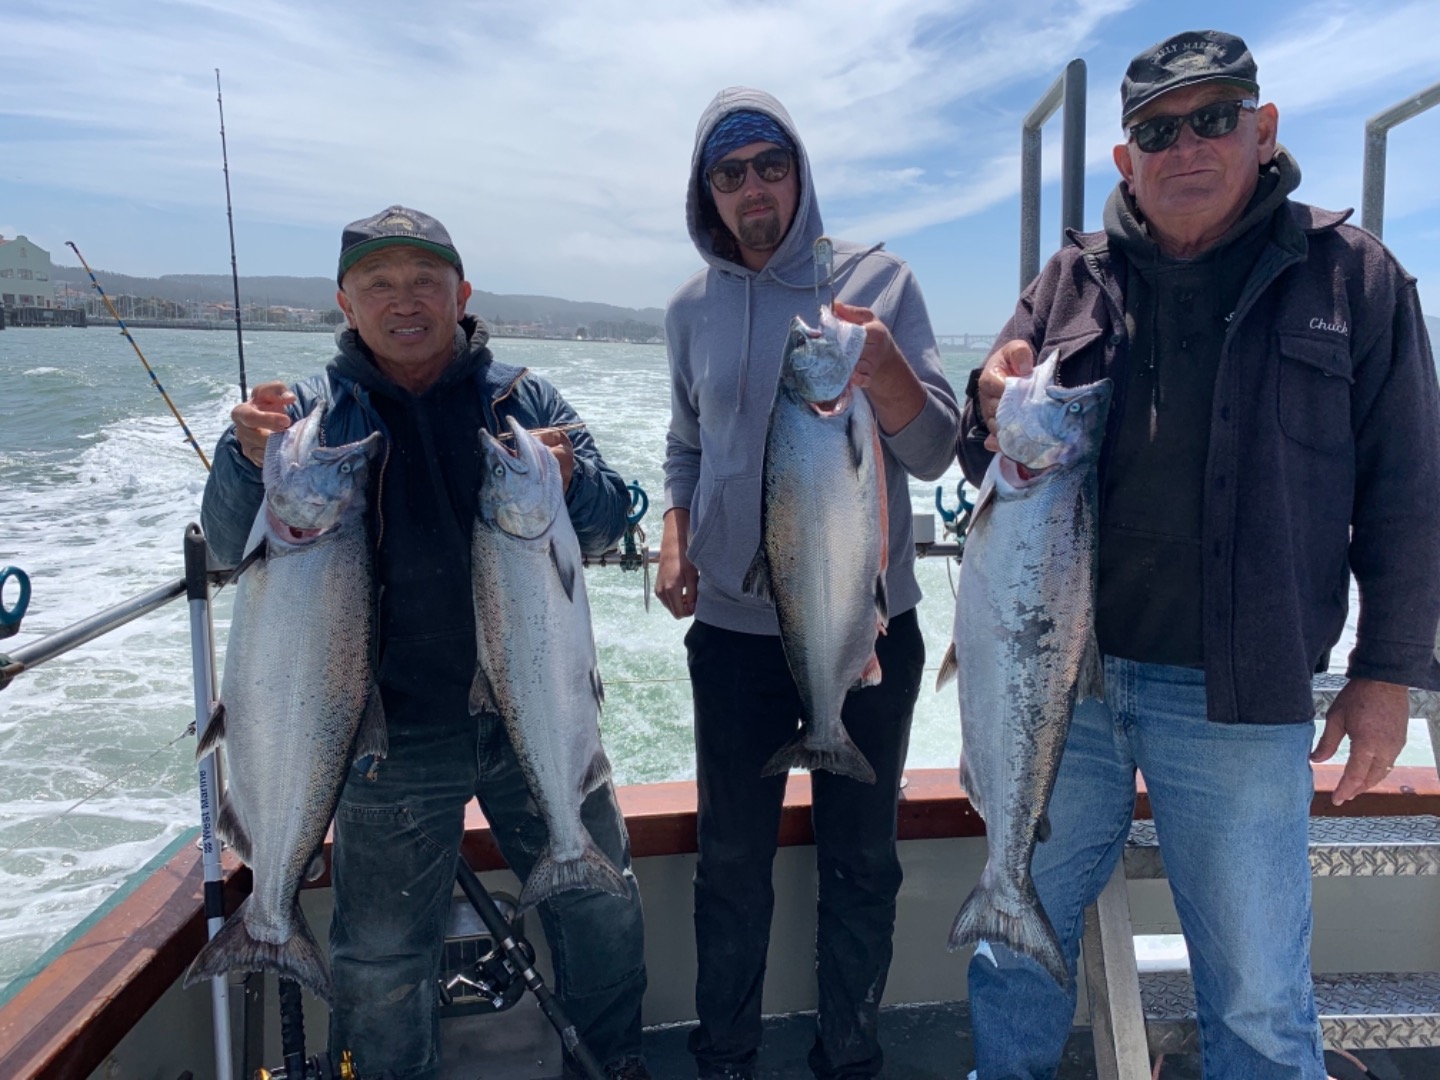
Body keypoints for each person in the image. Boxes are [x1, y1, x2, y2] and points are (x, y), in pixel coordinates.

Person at [958, 30, 1440, 1080]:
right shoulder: (1071, 279)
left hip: (1239, 691)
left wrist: (1388, 671)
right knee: (1010, 953)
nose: (1186, 146)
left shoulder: (1354, 277)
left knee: (1260, 997)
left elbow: (1410, 492)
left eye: (1214, 118)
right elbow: (982, 447)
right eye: (1156, 130)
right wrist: (986, 402)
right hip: (1062, 689)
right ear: (1126, 159)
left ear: (1262, 132)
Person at [200, 206, 651, 1080]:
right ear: (346, 300)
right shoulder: (306, 418)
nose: (404, 302)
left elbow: (603, 529)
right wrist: (238, 454)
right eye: (379, 284)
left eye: (424, 282)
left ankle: (615, 1065)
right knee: (378, 967)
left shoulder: (528, 403)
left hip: (535, 716)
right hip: (383, 735)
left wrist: (573, 479)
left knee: (603, 912)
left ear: (462, 293)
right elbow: (228, 545)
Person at [657, 88, 962, 1079]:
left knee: (861, 864)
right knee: (731, 866)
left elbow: (935, 446)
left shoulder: (879, 283)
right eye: (729, 171)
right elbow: (686, 446)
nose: (752, 188)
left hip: (865, 627)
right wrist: (674, 533)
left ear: (801, 172)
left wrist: (878, 371)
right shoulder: (688, 310)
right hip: (738, 635)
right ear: (709, 190)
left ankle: (850, 1057)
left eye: (769, 165)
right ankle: (726, 1059)